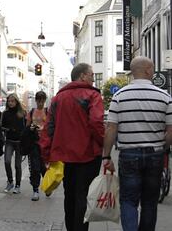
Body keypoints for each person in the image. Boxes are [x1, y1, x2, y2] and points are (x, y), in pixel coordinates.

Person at [103, 56, 172, 231]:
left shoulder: (119, 96)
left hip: (128, 155)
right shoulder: (165, 97)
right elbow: (171, 132)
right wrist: (162, 147)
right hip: (154, 154)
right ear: (148, 70)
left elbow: (111, 129)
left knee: (128, 200)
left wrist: (106, 156)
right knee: (150, 202)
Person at [39, 63, 104, 231]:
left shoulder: (58, 98)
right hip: (88, 155)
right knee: (84, 195)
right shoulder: (92, 95)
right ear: (82, 75)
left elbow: (49, 128)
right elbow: (97, 122)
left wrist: (46, 154)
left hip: (63, 156)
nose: (92, 78)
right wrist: (104, 143)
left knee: (70, 195)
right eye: (91, 74)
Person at [24, 91, 47, 201]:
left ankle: (47, 186)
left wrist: (44, 129)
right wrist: (31, 128)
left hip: (45, 144)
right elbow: (27, 127)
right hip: (34, 143)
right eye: (39, 100)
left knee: (44, 167)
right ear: (36, 100)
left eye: (42, 100)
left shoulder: (47, 112)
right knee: (35, 167)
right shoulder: (32, 112)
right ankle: (35, 190)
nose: (41, 103)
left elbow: (51, 126)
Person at [1, 93, 25, 194]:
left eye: (12, 101)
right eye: (9, 101)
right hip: (9, 141)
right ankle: (10, 181)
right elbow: (1, 126)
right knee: (7, 161)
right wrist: (8, 130)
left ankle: (18, 185)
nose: (10, 103)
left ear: (16, 101)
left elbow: (25, 127)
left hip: (19, 142)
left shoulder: (22, 113)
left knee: (17, 165)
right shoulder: (5, 113)